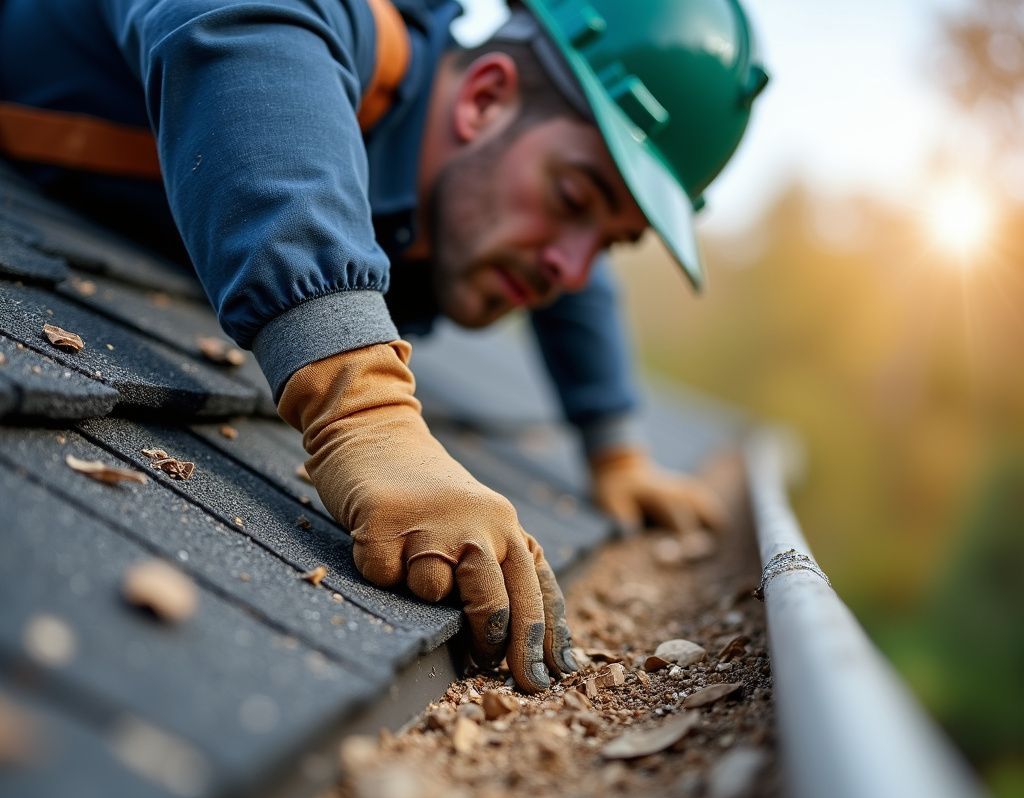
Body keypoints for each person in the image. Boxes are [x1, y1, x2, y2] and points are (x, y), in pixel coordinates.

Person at [0, 0, 768, 693]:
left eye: (611, 240)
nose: (571, 268)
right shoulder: (365, 41)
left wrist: (615, 446)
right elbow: (244, 22)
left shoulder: (491, 205)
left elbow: (573, 274)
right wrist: (362, 405)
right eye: (575, 198)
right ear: (486, 96)